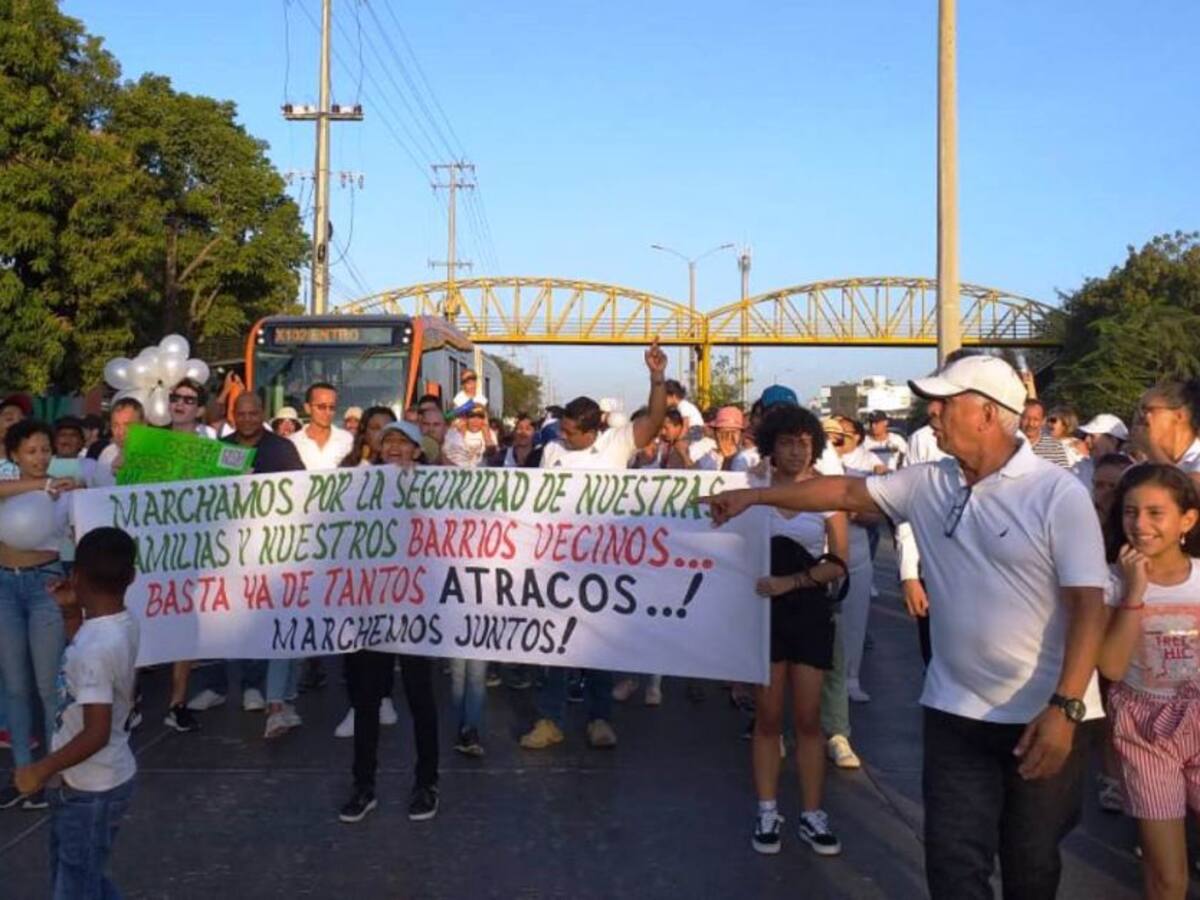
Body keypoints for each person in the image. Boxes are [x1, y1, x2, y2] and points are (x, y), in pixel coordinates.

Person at [703, 354, 1109, 900]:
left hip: (1043, 717)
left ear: (988, 414)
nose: (932, 413)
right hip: (953, 711)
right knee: (952, 865)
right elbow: (843, 495)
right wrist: (754, 496)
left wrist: (1065, 708)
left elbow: (1088, 607)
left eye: (944, 403)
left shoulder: (1058, 494)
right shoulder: (929, 482)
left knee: (1029, 865)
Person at [521, 341, 669, 751]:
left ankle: (599, 718)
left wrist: (656, 378)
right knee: (551, 644)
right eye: (562, 429)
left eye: (571, 431)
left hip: (603, 564)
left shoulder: (619, 443)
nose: (564, 436)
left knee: (598, 644)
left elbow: (655, 419)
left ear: (593, 430)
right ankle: (550, 720)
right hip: (555, 562)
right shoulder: (551, 450)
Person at [14, 527, 138, 898]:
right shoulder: (120, 624)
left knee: (74, 887)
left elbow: (95, 732)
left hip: (91, 788)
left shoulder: (97, 647)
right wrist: (70, 613)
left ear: (77, 575)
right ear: (130, 577)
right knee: (86, 878)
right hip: (96, 781)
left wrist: (40, 769)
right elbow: (87, 656)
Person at [747, 405, 849, 857]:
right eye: (786, 441)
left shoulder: (828, 494)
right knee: (767, 719)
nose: (795, 450)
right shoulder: (752, 488)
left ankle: (812, 813)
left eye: (803, 442)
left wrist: (793, 582)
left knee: (808, 721)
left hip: (807, 611)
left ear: (815, 446)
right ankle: (767, 810)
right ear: (772, 445)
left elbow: (839, 563)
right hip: (761, 614)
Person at [1098, 464, 1200, 900]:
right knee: (1167, 877)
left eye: (1156, 513)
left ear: (1187, 520)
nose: (1140, 525)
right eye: (1130, 512)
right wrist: (1134, 593)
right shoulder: (1111, 583)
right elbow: (1113, 667)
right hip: (1145, 731)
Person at [339, 420, 440, 824]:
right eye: (389, 442)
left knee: (420, 698)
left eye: (404, 442)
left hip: (417, 609)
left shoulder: (437, 490)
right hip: (372, 607)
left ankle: (427, 782)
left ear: (417, 451)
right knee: (366, 699)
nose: (395, 447)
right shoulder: (359, 487)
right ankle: (363, 786)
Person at [218, 393, 306, 737]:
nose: (248, 419)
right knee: (242, 623)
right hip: (234, 552)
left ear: (263, 415)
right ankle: (268, 694)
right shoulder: (221, 448)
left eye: (254, 413)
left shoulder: (282, 448)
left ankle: (275, 698)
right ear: (233, 415)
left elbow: (302, 490)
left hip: (276, 552)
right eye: (242, 414)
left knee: (277, 623)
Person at [0, 420, 77, 809]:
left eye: (45, 450)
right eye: (30, 451)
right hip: (5, 588)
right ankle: (22, 773)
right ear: (14, 455)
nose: (40, 457)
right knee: (15, 686)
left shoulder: (66, 490)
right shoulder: (10, 486)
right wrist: (38, 485)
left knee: (49, 687)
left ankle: (52, 772)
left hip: (46, 585)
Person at [332, 406, 401, 740]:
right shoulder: (347, 468)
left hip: (389, 574)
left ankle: (382, 697)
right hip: (353, 572)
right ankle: (358, 706)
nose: (381, 436)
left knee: (383, 641)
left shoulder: (405, 470)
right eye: (374, 428)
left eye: (388, 430)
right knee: (353, 643)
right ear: (364, 433)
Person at [1137, 380, 1200, 483]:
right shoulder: (1140, 469)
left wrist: (1151, 447)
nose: (1143, 417)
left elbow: (1189, 494)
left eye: (1149, 410)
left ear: (1180, 415)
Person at [291, 382, 354, 472]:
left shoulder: (347, 440)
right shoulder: (293, 442)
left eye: (331, 407)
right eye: (321, 407)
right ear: (307, 408)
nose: (327, 412)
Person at [82, 398, 143, 490]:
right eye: (115, 426)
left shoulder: (159, 452)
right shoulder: (107, 453)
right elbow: (96, 491)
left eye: (128, 425)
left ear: (143, 425)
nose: (120, 432)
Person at [1074, 414, 1129, 485]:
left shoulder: (1129, 471)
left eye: (1092, 436)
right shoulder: (1080, 468)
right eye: (1086, 436)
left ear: (1113, 441)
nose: (1086, 440)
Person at [1020, 398, 1071, 467]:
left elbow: (1064, 476)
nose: (1031, 424)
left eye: (1036, 419)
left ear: (1043, 421)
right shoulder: (1008, 442)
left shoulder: (1055, 448)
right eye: (1026, 418)